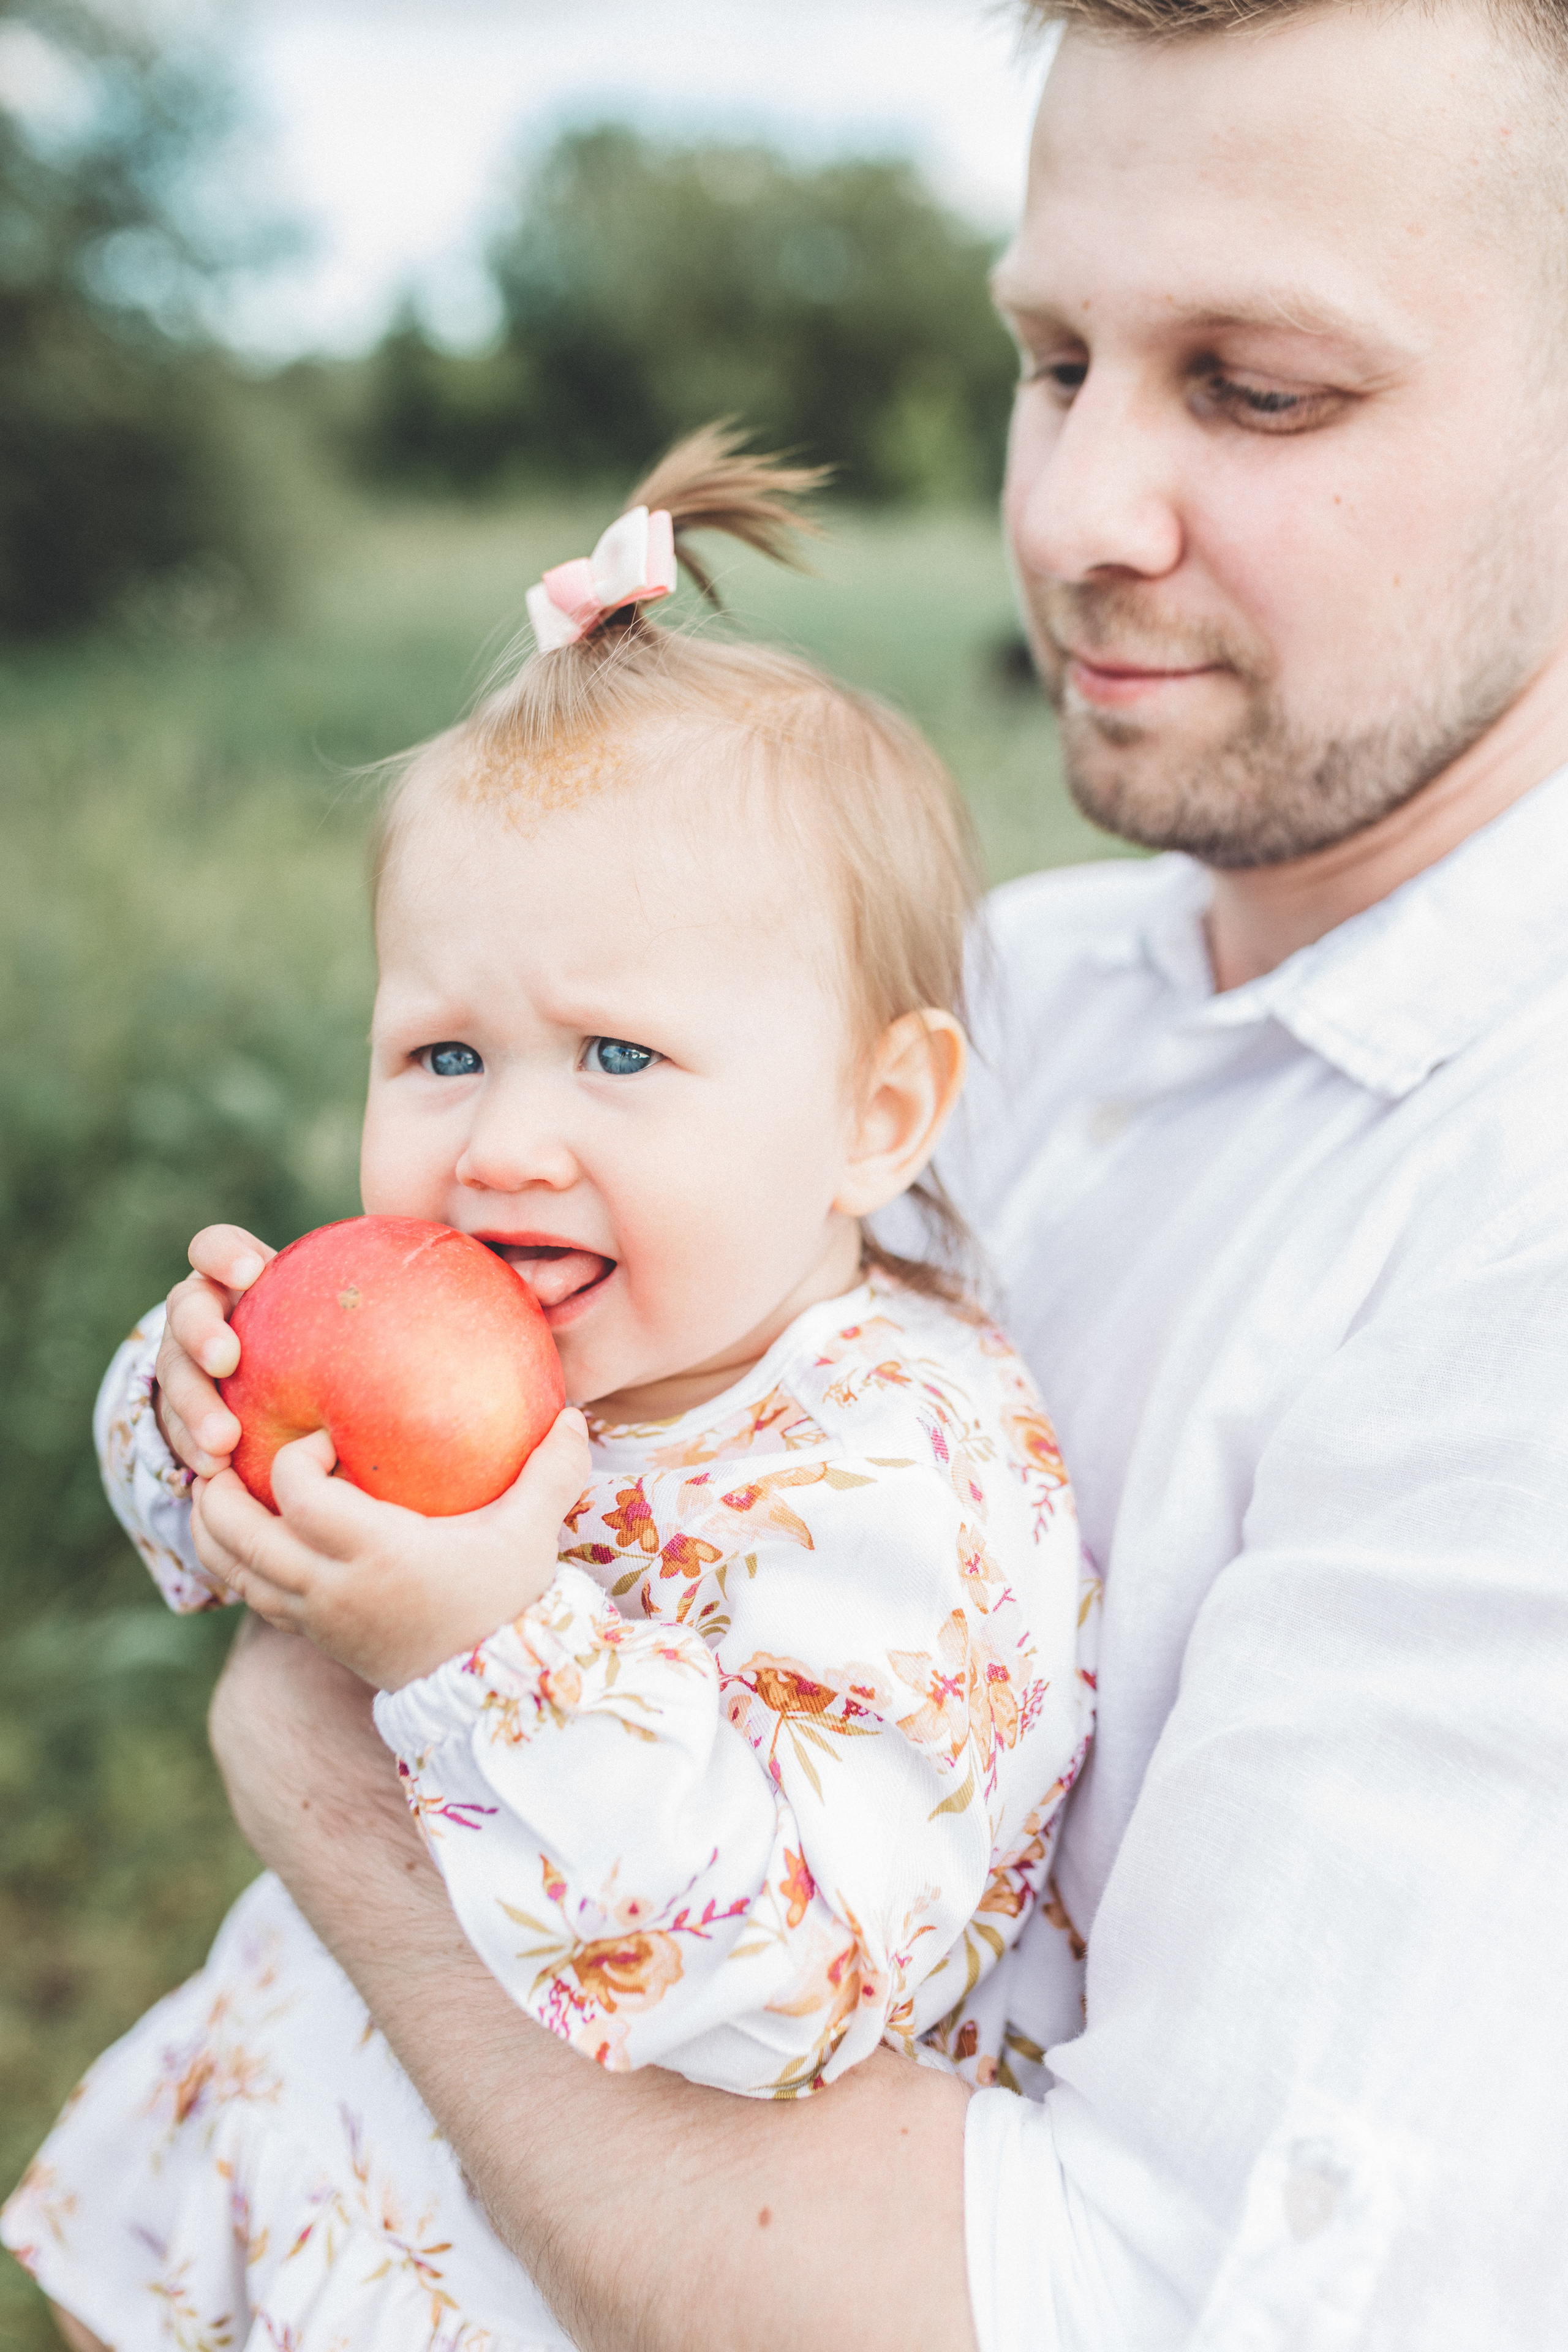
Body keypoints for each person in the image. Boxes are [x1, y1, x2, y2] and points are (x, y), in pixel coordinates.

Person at [20, 0, 1568, 2337]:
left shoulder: (1513, 1228)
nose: (1069, 514)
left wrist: (330, 1752)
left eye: (1261, 387)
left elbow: (1111, 2305)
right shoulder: (1004, 993)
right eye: (1055, 359)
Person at [1, 432, 1096, 2352]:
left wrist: (486, 1637)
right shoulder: (478, 1322)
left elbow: (793, 1973)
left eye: (615, 1053)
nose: (504, 1144)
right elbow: (230, 1528)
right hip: (334, 2154)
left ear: (876, 1115)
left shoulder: (897, 1479)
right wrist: (178, 1425)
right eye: (440, 1052)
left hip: (561, 2263)